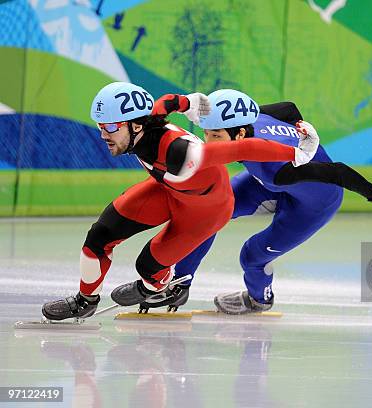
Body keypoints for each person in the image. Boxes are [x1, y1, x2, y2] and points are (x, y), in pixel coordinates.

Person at [41, 82, 321, 321]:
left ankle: (162, 285)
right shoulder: (145, 121)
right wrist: (188, 102)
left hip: (205, 212)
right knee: (99, 235)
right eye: (101, 126)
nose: (103, 135)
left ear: (136, 125)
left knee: (148, 268)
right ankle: (85, 302)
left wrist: (295, 152)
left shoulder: (180, 153)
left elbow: (241, 147)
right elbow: (165, 102)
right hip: (169, 190)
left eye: (110, 127)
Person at [138, 88, 372, 314]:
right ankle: (180, 284)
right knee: (208, 214)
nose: (209, 144)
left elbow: (337, 172)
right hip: (267, 181)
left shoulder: (279, 168)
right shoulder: (254, 119)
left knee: (251, 256)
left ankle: (259, 300)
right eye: (207, 133)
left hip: (312, 203)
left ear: (240, 134)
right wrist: (298, 127)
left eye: (217, 137)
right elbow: (288, 108)